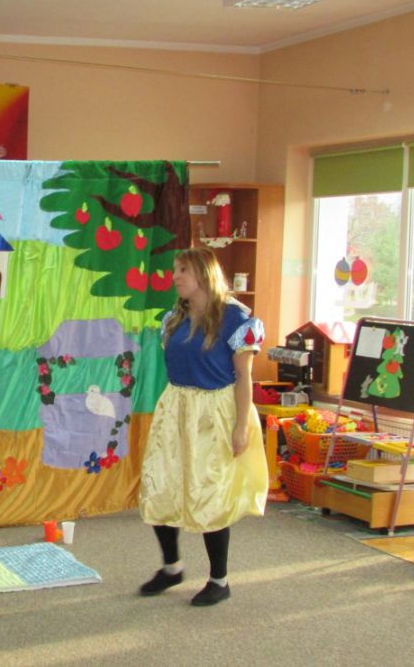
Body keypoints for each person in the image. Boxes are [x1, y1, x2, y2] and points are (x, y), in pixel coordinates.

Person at [138, 246, 268, 606]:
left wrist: (241, 427)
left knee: (210, 493)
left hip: (215, 412)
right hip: (176, 408)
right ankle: (171, 568)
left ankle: (219, 580)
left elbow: (243, 378)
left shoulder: (236, 319)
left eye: (183, 270)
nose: (175, 277)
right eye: (175, 270)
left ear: (203, 273)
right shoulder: (174, 318)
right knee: (161, 484)